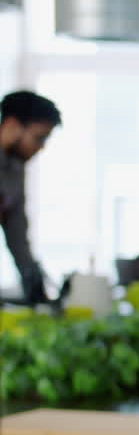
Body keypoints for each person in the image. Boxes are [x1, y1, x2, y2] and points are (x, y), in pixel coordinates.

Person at [0, 90, 61, 305]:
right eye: (39, 137)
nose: (41, 147)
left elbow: (17, 229)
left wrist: (31, 275)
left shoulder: (15, 168)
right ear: (12, 125)